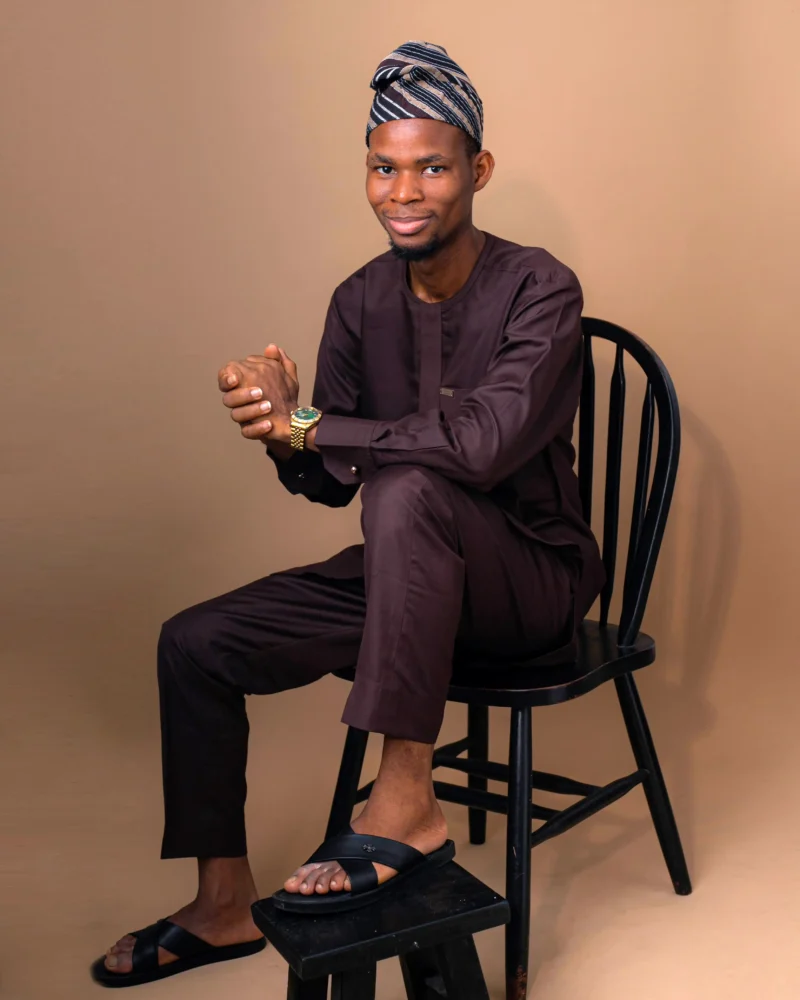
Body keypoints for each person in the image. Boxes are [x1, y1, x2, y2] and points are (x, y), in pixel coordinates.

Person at [92, 40, 604, 988]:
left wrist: (316, 423)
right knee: (196, 642)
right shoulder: (359, 300)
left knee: (408, 487)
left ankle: (406, 796)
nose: (403, 192)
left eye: (432, 167)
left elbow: (482, 448)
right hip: (410, 582)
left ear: (479, 170)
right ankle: (222, 903)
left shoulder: (541, 287)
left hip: (529, 583)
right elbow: (330, 483)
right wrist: (278, 426)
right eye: (383, 167)